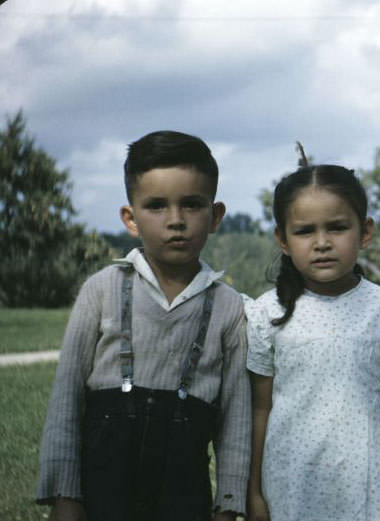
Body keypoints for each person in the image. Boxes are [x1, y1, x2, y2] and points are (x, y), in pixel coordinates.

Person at [36, 130, 252, 521]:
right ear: (130, 219)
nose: (175, 221)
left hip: (183, 497)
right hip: (104, 494)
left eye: (191, 205)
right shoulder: (100, 290)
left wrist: (229, 503)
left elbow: (236, 419)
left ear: (215, 215)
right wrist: (65, 496)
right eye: (156, 206)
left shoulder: (228, 307)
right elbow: (66, 401)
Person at [243, 164, 380, 521]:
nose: (322, 243)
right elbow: (260, 409)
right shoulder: (267, 313)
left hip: (367, 489)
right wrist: (254, 492)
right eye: (304, 231)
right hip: (290, 488)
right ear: (282, 240)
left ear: (365, 231)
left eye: (338, 227)